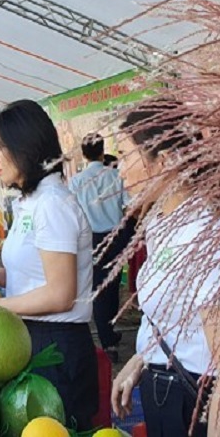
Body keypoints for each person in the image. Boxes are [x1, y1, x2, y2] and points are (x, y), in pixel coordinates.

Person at [0, 100, 98, 431]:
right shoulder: (31, 203)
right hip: (26, 338)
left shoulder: (53, 206)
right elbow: (35, 274)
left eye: (1, 146)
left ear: (26, 146)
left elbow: (61, 294)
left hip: (56, 347)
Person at [110, 104, 220, 437]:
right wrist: (140, 358)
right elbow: (170, 316)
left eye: (125, 155)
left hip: (199, 409)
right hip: (163, 397)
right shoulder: (160, 223)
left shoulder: (209, 235)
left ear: (166, 160)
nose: (120, 171)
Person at [68, 133, 131, 362]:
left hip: (91, 239)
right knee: (112, 284)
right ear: (103, 151)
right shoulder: (116, 176)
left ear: (83, 155)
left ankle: (108, 338)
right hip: (116, 237)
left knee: (97, 287)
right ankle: (109, 336)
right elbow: (129, 205)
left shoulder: (76, 182)